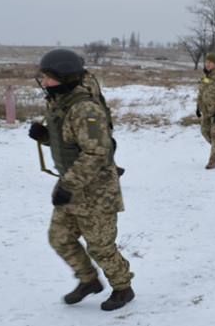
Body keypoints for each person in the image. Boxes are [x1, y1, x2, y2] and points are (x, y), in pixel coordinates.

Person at [28, 48, 135, 311]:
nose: (44, 82)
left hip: (97, 192)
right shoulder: (59, 103)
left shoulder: (85, 109)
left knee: (100, 247)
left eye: (48, 77)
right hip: (72, 187)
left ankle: (123, 288)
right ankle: (88, 281)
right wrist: (44, 135)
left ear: (64, 77)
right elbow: (70, 143)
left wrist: (68, 185)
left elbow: (97, 153)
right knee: (59, 238)